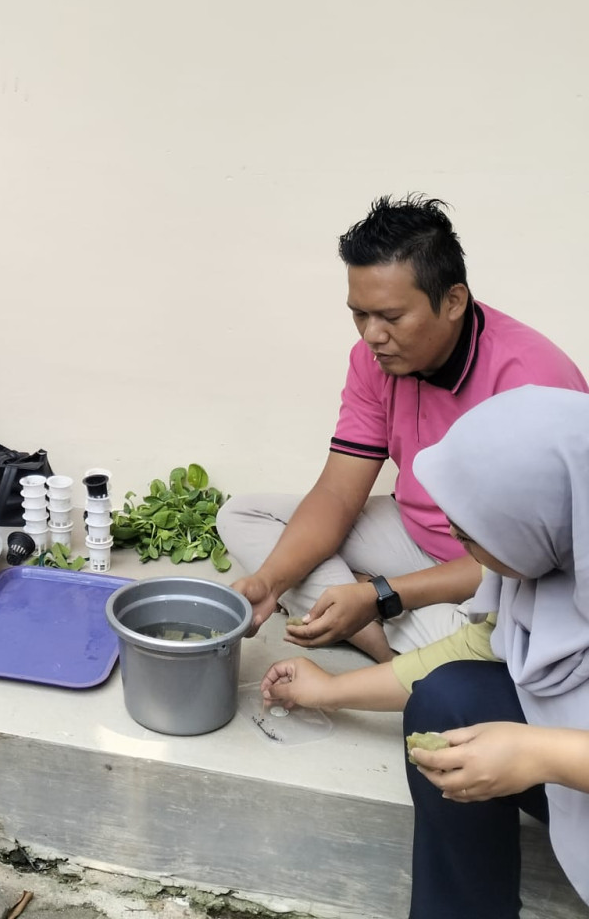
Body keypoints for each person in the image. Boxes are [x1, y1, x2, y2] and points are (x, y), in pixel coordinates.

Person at [260, 385, 589, 919]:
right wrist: (330, 690)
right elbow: (471, 650)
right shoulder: (551, 564)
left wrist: (540, 753)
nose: (458, 545)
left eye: (473, 534)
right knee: (449, 699)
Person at [218, 195, 585, 661]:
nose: (371, 335)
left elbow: (535, 562)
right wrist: (269, 584)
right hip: (413, 534)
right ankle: (385, 644)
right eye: (359, 314)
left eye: (391, 317)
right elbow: (337, 494)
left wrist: (383, 595)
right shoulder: (375, 360)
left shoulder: (533, 382)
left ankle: (378, 631)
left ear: (453, 300)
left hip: (501, 571)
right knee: (244, 516)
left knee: (515, 647)